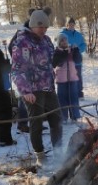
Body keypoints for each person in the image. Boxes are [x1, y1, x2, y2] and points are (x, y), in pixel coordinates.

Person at [12, 8, 62, 164]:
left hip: (48, 87)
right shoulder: (22, 42)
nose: (43, 30)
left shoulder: (46, 40)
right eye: (41, 27)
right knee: (36, 124)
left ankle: (59, 153)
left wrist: (61, 55)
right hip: (32, 90)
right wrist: (25, 91)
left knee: (56, 121)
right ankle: (40, 156)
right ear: (33, 25)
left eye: (46, 27)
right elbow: (17, 70)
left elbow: (51, 60)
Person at [52, 33, 81, 122]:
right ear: (59, 43)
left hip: (73, 78)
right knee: (62, 99)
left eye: (65, 40)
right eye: (62, 41)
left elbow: (78, 60)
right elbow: (55, 63)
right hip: (61, 80)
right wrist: (64, 53)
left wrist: (76, 51)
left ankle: (75, 116)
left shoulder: (71, 50)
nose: (64, 42)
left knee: (74, 98)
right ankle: (63, 117)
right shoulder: (57, 52)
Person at [59, 17, 88, 98]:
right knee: (67, 76)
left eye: (73, 24)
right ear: (67, 25)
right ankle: (68, 92)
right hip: (67, 60)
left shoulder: (78, 35)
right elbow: (57, 44)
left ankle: (79, 92)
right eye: (69, 24)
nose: (71, 26)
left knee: (78, 75)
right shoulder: (62, 34)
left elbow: (83, 45)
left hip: (77, 59)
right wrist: (67, 48)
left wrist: (78, 49)